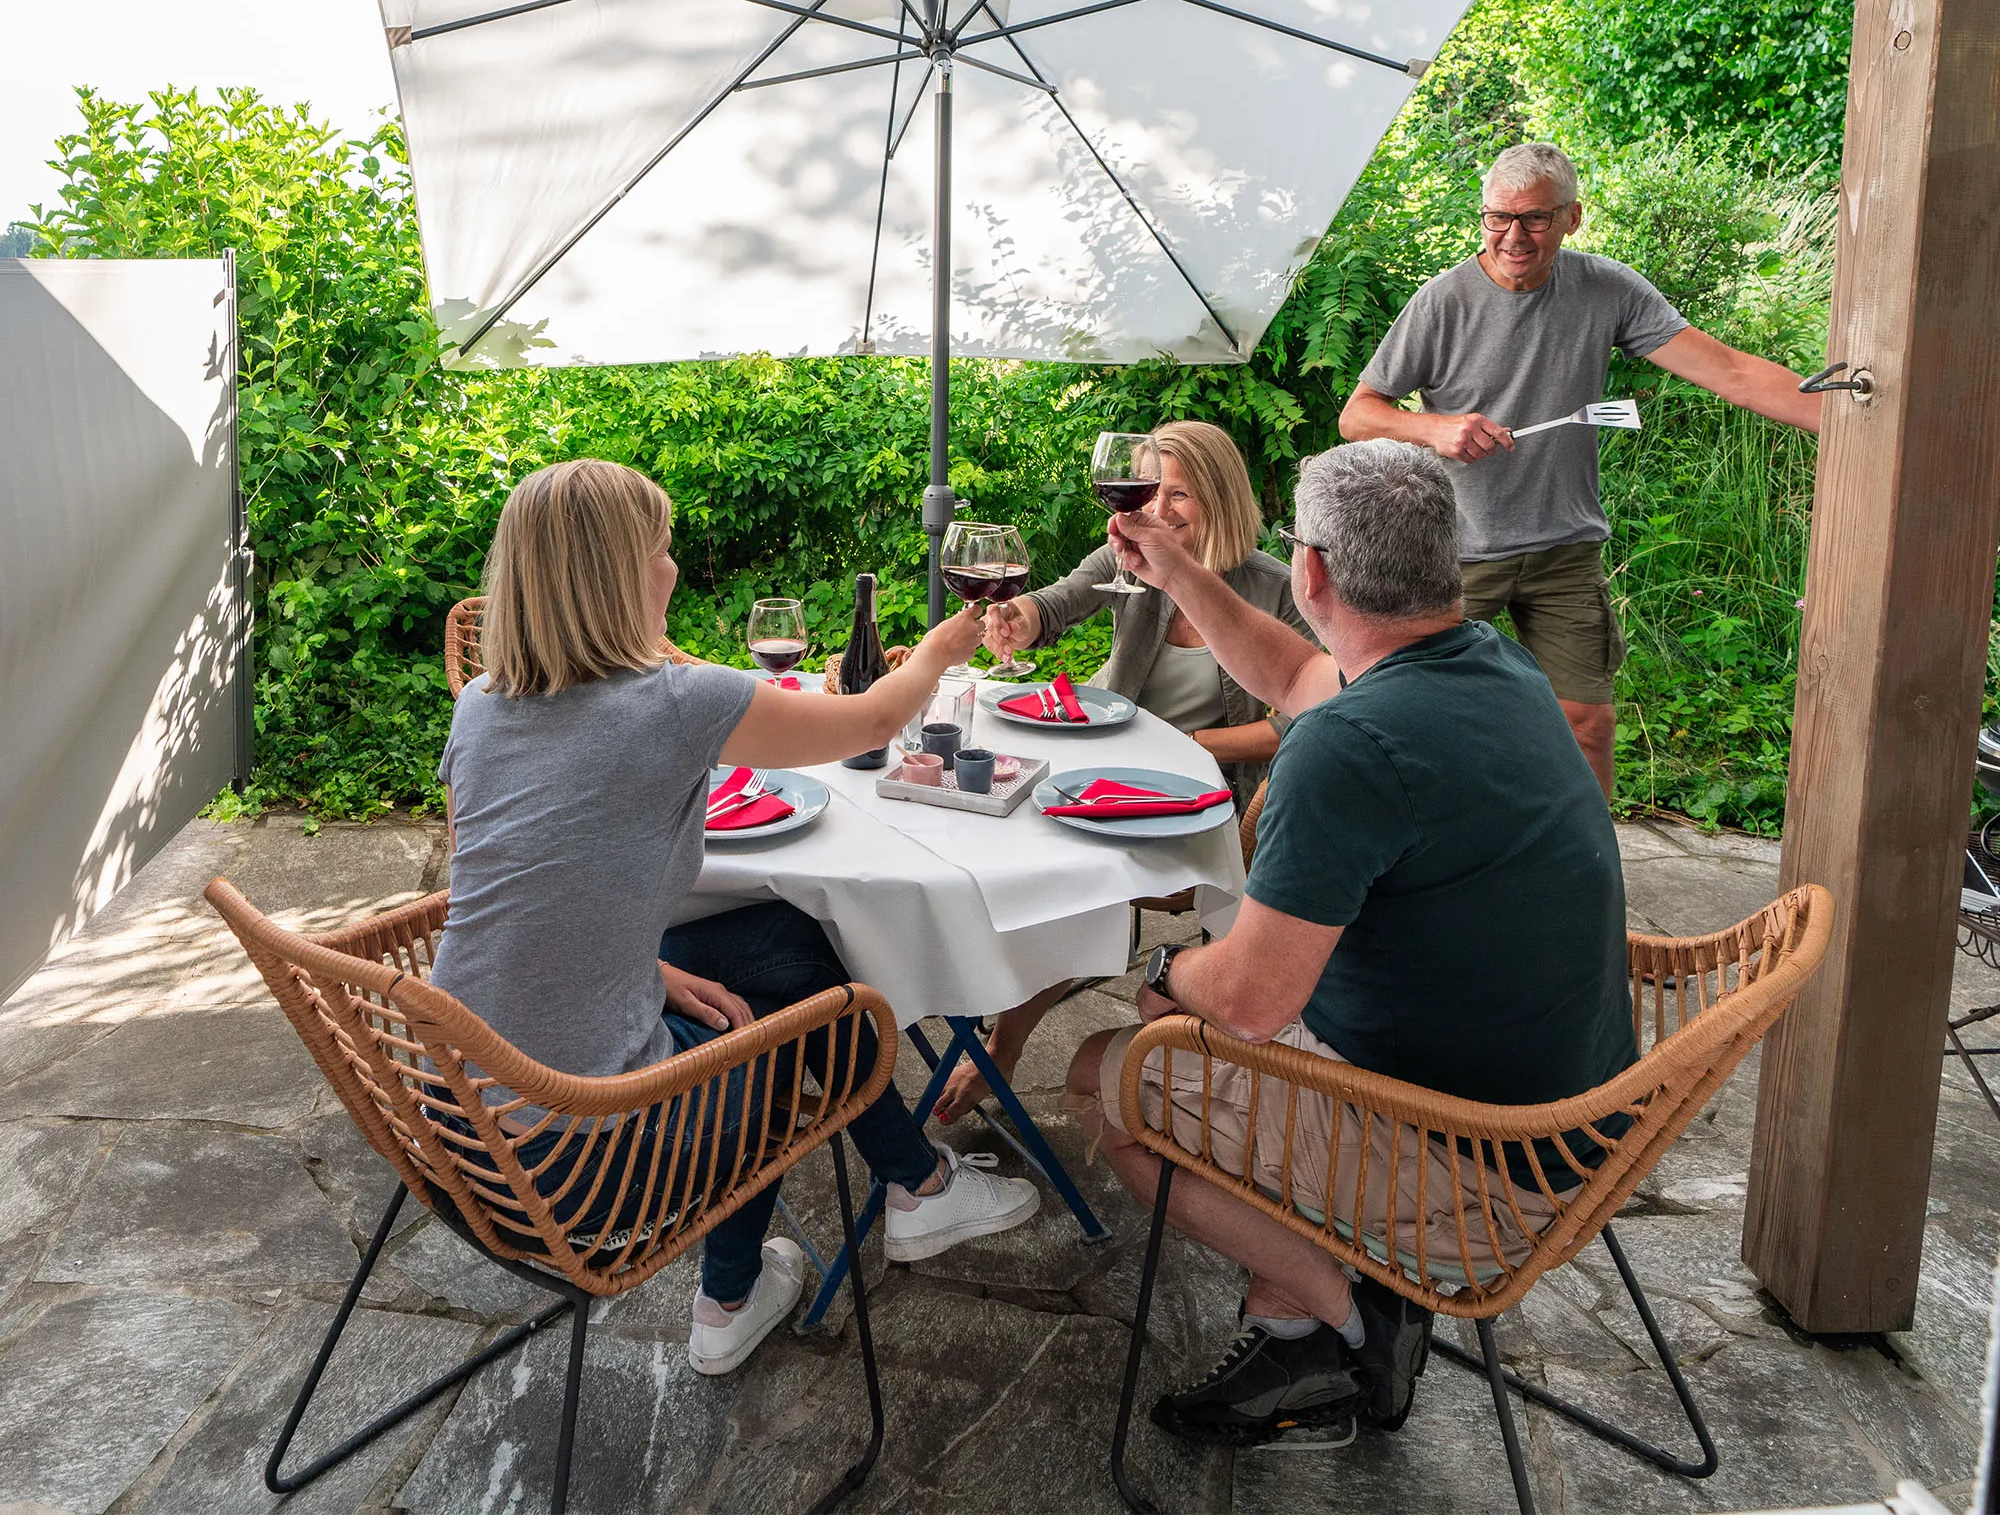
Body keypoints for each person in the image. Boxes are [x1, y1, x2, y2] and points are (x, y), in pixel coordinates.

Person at [1066, 440, 1638, 1449]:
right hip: (1569, 1113)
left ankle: (1350, 1314)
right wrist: (1177, 565)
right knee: (1199, 1045)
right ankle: (1288, 1327)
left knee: (1108, 1076)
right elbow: (1289, 665)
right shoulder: (1489, 663)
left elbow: (1246, 999)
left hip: (1475, 1158)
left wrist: (1163, 970)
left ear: (1311, 571)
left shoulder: (1348, 747)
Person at [432, 459, 1040, 1379]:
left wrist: (649, 969)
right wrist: (940, 651)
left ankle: (915, 1190)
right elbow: (865, 720)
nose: (673, 568)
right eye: (662, 550)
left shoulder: (481, 704)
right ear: (622, 576)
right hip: (586, 1158)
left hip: (454, 1121)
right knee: (800, 1026)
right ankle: (741, 1285)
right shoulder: (672, 706)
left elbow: (523, 892)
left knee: (781, 947)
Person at [1337, 141, 1822, 797]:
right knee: (1414, 719)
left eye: (1535, 219)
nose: (1513, 236)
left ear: (1573, 218)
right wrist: (1433, 428)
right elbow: (1359, 415)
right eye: (1496, 218)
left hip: (1563, 546)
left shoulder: (1607, 289)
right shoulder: (1442, 302)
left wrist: (1845, 419)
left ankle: (1584, 870)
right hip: (1454, 550)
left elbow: (1731, 371)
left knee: (1586, 723)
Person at [932, 420, 1309, 1125]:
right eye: (1150, 493)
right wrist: (1020, 617)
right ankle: (1001, 1041)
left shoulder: (1276, 589)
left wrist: (1189, 743)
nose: (1158, 512)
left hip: (1215, 799)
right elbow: (1062, 599)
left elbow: (1304, 720)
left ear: (1221, 498)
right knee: (1037, 858)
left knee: (1077, 879)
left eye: (1180, 496)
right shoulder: (1128, 558)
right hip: (1107, 777)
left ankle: (1138, 1031)